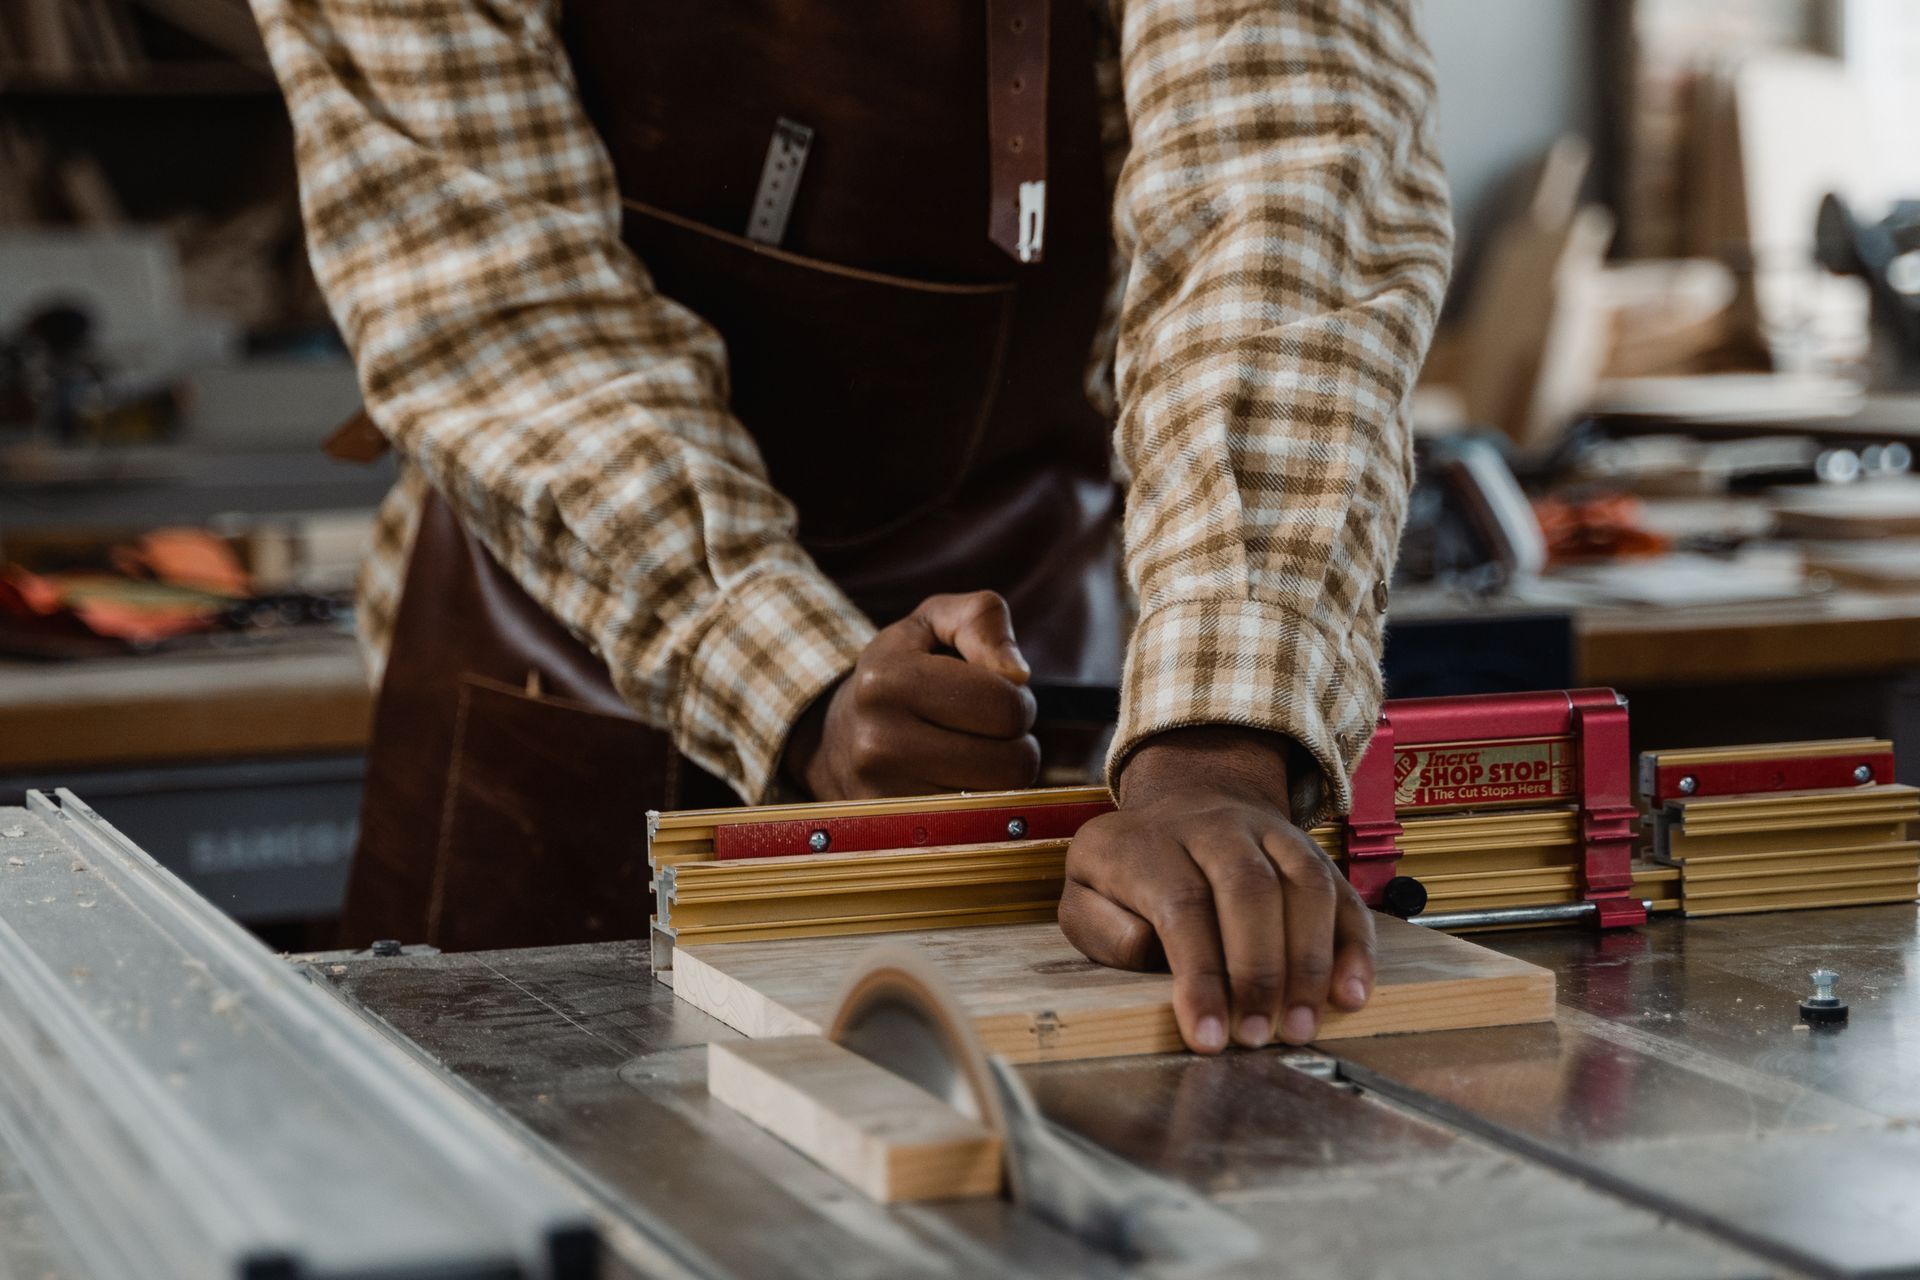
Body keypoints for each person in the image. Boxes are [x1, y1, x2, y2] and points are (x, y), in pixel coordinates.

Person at [254, 0, 1451, 1055]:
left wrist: (1210, 744)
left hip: (1029, 677)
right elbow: (508, 318)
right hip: (559, 645)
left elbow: (1283, 203)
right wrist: (801, 686)